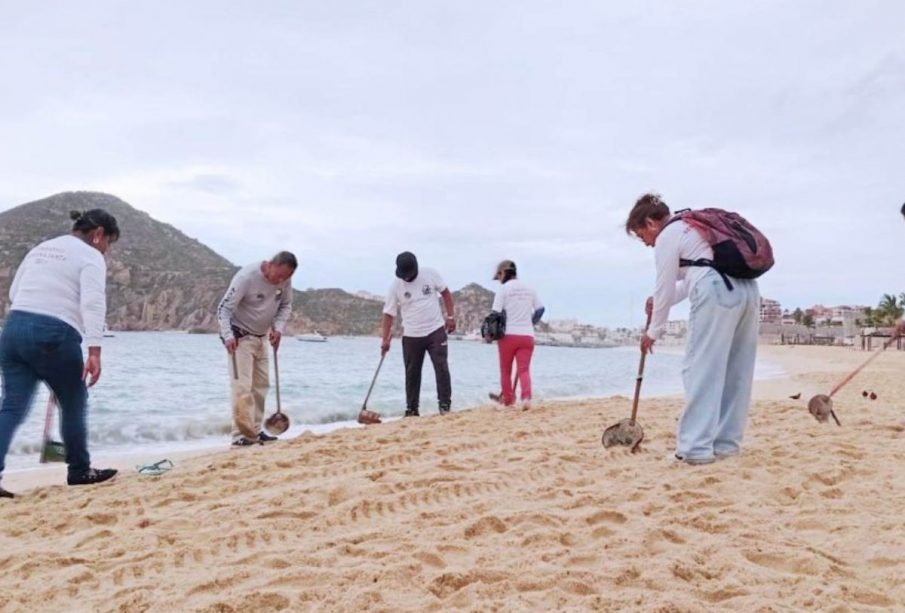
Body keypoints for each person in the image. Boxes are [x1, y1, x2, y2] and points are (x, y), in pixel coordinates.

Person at [626, 193, 760, 465]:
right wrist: (659, 304)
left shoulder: (669, 234)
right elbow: (694, 278)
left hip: (717, 290)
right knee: (737, 371)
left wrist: (653, 332)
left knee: (700, 369)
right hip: (748, 292)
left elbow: (665, 285)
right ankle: (726, 445)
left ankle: (694, 450)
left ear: (652, 223)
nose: (646, 244)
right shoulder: (694, 228)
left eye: (642, 236)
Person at [0, 209, 121, 498]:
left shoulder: (42, 248)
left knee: (13, 406)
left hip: (13, 329)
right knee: (74, 400)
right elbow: (93, 303)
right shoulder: (91, 256)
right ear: (98, 235)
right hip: (54, 333)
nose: (105, 251)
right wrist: (94, 351)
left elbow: (15, 293)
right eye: (108, 244)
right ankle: (79, 470)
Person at [217, 251, 296, 447]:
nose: (280, 281)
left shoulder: (284, 281)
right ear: (269, 265)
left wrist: (278, 328)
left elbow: (285, 306)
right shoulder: (246, 277)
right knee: (242, 387)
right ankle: (239, 435)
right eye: (278, 276)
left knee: (261, 386)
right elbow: (223, 309)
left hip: (262, 339)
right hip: (240, 338)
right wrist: (227, 335)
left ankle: (256, 431)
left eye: (285, 278)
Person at [381, 251, 456, 416]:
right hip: (411, 335)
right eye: (404, 276)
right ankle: (412, 409)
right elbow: (388, 314)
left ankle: (445, 406)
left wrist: (450, 316)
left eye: (409, 275)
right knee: (412, 373)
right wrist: (385, 339)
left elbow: (446, 293)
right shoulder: (396, 286)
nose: (407, 278)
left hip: (435, 330)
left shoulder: (430, 274)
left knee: (441, 367)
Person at [486, 260, 544, 409]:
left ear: (503, 273)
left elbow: (495, 314)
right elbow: (540, 310)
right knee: (524, 370)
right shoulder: (529, 289)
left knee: (506, 371)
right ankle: (526, 399)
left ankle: (509, 401)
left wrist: (490, 335)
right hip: (527, 336)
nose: (499, 280)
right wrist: (530, 322)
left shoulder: (504, 290)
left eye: (498, 276)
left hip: (508, 337)